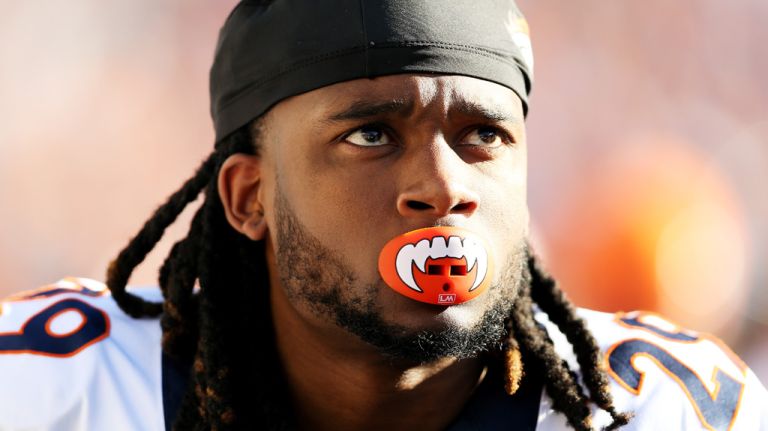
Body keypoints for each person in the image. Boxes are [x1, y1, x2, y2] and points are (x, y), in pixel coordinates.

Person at [0, 0, 766, 430]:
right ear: (248, 196)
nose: (443, 185)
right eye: (371, 134)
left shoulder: (658, 410)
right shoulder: (59, 394)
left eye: (483, 135)